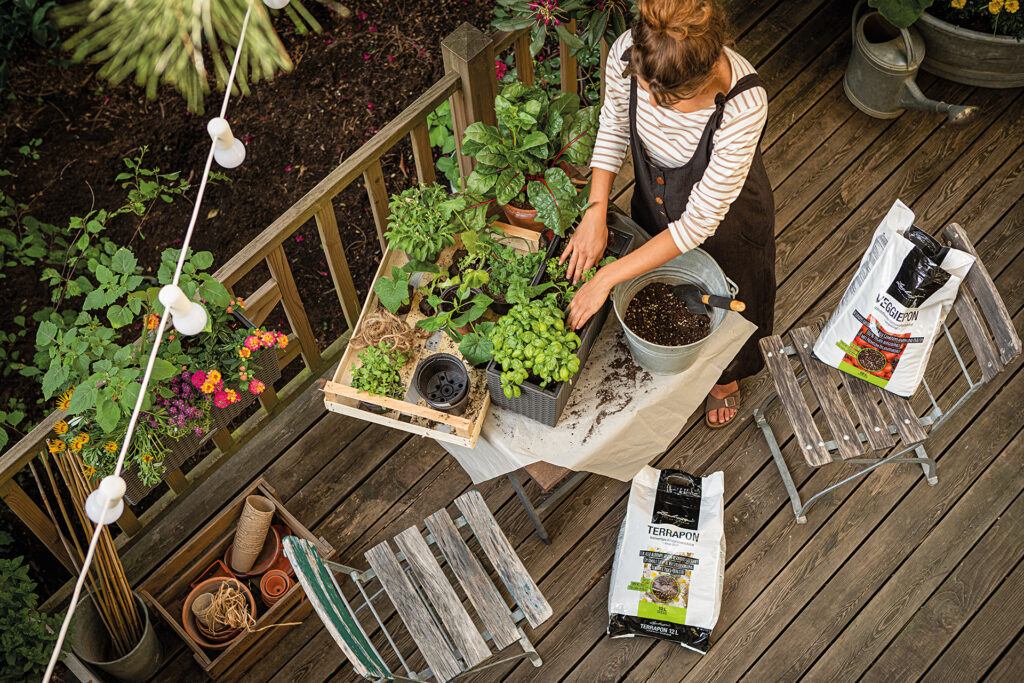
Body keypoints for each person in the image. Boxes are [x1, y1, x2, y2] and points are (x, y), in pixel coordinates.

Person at [563, 0, 775, 429]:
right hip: (654, 196)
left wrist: (605, 277)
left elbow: (698, 223)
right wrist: (595, 210)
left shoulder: (743, 105)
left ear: (710, 69)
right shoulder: (628, 52)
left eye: (668, 101)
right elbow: (614, 127)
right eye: (646, 92)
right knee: (661, 286)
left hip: (726, 224)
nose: (652, 108)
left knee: (734, 304)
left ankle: (725, 379)